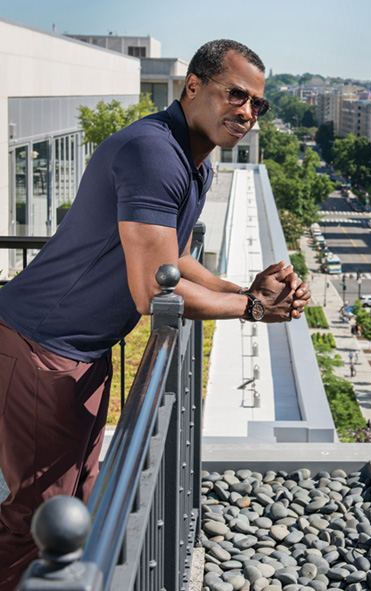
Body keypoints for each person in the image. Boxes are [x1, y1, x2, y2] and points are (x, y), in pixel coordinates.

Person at [0, 39, 311, 589]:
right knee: (38, 517)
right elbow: (152, 292)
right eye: (235, 94)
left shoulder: (194, 162)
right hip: (39, 348)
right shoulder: (153, 152)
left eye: (258, 104)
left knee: (81, 492)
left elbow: (176, 260)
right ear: (193, 87)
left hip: (82, 351)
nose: (247, 111)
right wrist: (253, 310)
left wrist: (245, 288)